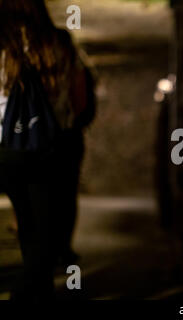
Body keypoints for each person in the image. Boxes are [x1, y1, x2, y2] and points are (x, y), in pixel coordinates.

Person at [0, 0, 95, 300]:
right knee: (45, 224)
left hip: (7, 149)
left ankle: (36, 288)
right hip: (50, 146)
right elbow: (78, 95)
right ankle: (30, 289)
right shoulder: (60, 42)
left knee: (26, 219)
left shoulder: (2, 45)